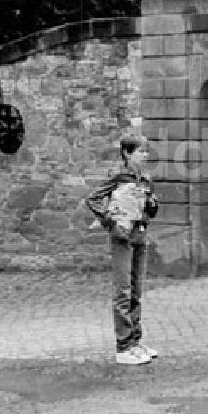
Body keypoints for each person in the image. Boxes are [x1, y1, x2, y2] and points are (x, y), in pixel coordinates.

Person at [85, 136, 160, 366]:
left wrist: (151, 207)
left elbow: (149, 207)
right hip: (122, 236)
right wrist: (111, 222)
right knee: (123, 290)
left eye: (146, 152)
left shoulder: (146, 179)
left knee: (136, 289)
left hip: (139, 234)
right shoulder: (118, 176)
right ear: (127, 154)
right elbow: (94, 199)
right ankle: (123, 346)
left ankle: (136, 341)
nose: (145, 155)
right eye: (140, 151)